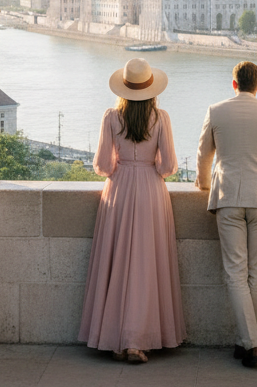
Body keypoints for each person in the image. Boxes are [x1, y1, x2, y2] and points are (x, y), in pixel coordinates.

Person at [78, 57, 186, 363]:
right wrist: (148, 165)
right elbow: (168, 166)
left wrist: (124, 166)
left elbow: (102, 165)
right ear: (151, 89)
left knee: (118, 262)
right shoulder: (161, 118)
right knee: (147, 263)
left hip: (120, 190)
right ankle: (139, 342)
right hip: (151, 191)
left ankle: (118, 340)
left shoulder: (112, 117)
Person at [196, 60, 257, 368]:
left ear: (234, 83)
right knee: (256, 273)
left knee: (235, 272)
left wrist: (204, 183)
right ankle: (247, 342)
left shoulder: (216, 111)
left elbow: (204, 155)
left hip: (228, 197)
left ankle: (248, 342)